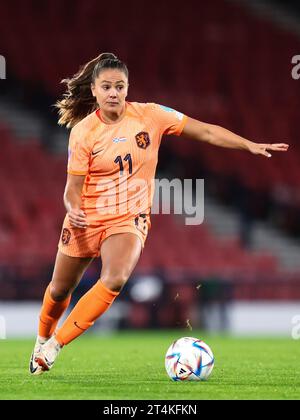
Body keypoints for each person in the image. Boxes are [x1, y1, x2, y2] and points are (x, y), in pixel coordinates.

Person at [29, 52, 288, 375]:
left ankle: (55, 345)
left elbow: (205, 131)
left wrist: (248, 144)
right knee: (58, 290)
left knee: (115, 278)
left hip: (128, 218)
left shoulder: (150, 115)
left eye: (120, 86)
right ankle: (41, 339)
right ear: (94, 90)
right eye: (107, 86)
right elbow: (72, 188)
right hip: (87, 216)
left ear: (128, 88)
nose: (114, 93)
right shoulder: (83, 132)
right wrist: (73, 209)